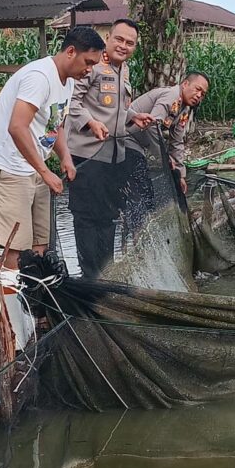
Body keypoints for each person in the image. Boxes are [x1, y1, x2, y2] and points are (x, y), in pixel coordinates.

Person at [0, 26, 105, 270]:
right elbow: (17, 127)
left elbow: (55, 124)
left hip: (34, 164)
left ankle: (37, 301)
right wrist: (45, 172)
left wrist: (65, 157)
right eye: (88, 62)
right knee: (14, 248)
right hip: (10, 165)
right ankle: (13, 302)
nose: (89, 70)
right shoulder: (39, 77)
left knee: (40, 243)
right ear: (70, 51)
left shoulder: (67, 82)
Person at [65, 19, 153, 278]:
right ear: (108, 37)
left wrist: (132, 116)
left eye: (130, 43)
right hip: (87, 155)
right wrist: (90, 123)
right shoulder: (91, 66)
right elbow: (72, 103)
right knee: (87, 218)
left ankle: (106, 274)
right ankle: (90, 277)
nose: (123, 46)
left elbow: (115, 110)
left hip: (115, 156)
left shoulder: (122, 70)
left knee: (108, 216)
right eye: (119, 39)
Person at [129, 71, 210, 196]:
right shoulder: (171, 95)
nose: (199, 95)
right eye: (197, 89)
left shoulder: (184, 109)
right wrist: (164, 157)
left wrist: (180, 175)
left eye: (203, 94)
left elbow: (177, 141)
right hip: (125, 136)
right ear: (185, 84)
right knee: (137, 182)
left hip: (138, 142)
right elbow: (152, 126)